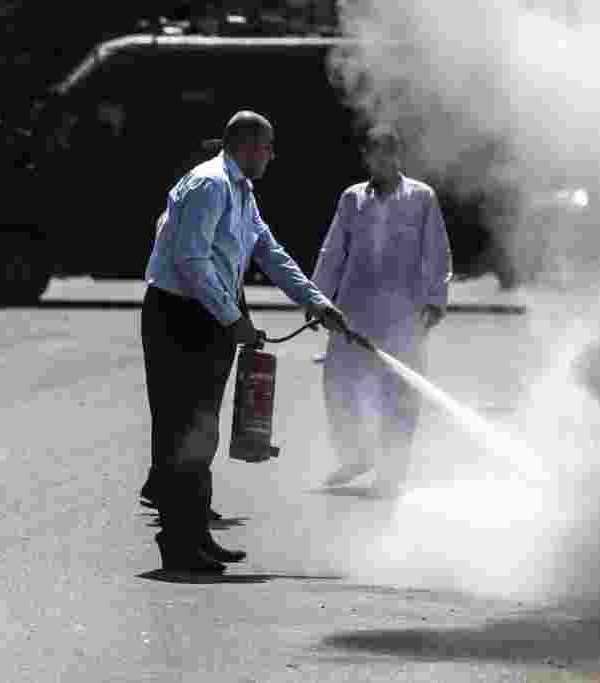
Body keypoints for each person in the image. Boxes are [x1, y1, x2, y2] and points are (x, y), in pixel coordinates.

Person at [141, 110, 351, 573]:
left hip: (208, 315)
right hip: (179, 315)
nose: (272, 157)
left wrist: (315, 301)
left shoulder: (241, 191)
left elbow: (269, 251)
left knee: (203, 429)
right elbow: (192, 261)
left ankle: (196, 534)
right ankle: (177, 542)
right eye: (268, 147)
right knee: (182, 428)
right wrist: (233, 317)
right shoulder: (210, 185)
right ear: (248, 146)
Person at [311, 125, 452, 497]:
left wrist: (435, 299)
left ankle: (391, 471)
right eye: (375, 153)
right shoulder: (352, 198)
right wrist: (317, 299)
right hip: (354, 308)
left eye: (389, 153)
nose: (382, 160)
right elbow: (333, 251)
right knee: (340, 383)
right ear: (368, 158)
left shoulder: (422, 197)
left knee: (400, 391)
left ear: (398, 156)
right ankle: (355, 454)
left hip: (402, 311)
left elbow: (436, 251)